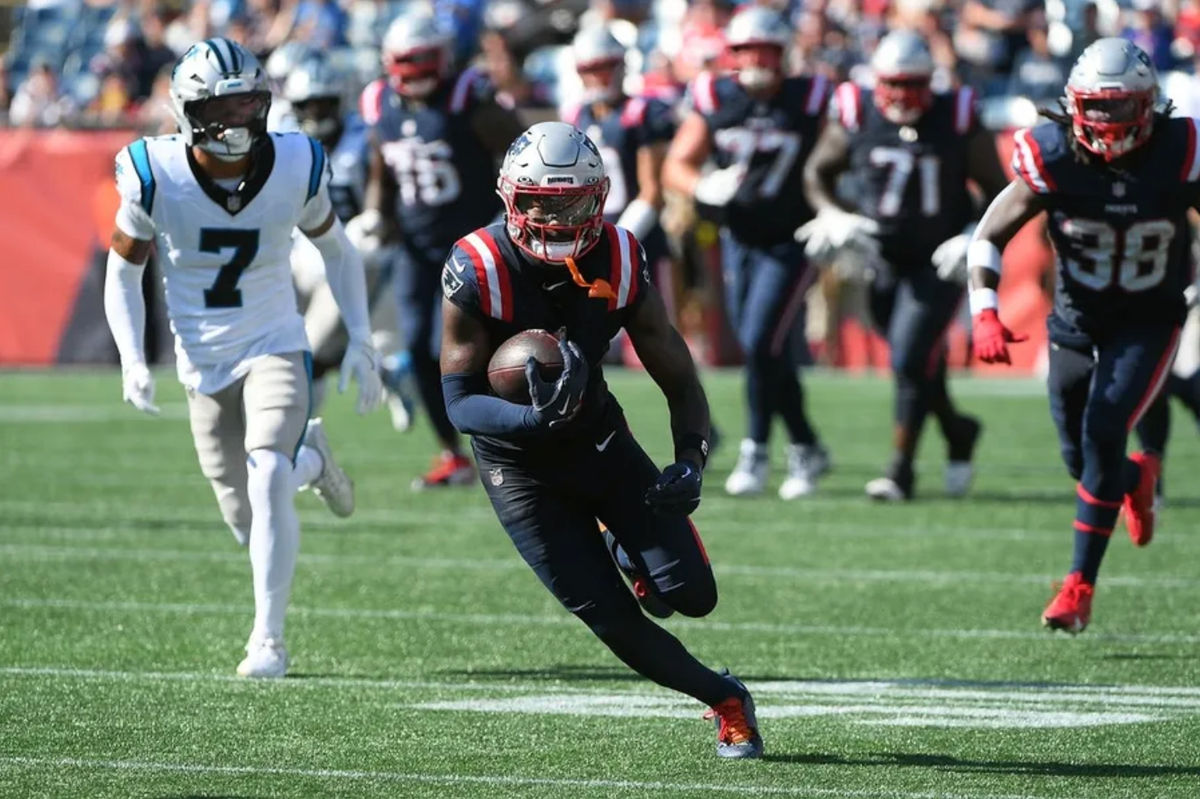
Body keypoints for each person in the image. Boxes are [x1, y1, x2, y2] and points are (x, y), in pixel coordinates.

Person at [439, 121, 763, 759]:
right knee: (609, 616)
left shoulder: (619, 252)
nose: (557, 216)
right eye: (541, 201)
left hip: (596, 438)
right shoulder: (477, 263)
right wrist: (532, 422)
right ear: (510, 197)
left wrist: (691, 461)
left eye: (574, 201)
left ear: (601, 196)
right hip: (516, 464)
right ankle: (725, 700)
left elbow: (676, 370)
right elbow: (459, 402)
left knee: (693, 597)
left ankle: (624, 545)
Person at [103, 38, 383, 677]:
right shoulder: (155, 172)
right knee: (245, 518)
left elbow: (338, 250)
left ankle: (269, 640)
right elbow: (121, 272)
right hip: (201, 361)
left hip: (275, 342)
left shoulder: (293, 163)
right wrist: (131, 357)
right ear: (191, 111)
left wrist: (361, 337)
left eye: (251, 103)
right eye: (225, 106)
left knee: (266, 475)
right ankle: (310, 459)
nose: (242, 118)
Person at [966, 38, 1187, 633]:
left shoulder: (1180, 149)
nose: (1108, 123)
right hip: (1076, 321)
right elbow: (989, 235)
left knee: (1104, 428)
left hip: (1149, 317)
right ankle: (1134, 478)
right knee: (1080, 456)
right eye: (1097, 106)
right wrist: (984, 311)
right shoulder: (1053, 153)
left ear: (1149, 105)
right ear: (1073, 104)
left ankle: (1078, 585)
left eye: (1120, 107)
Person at [802, 29, 1008, 501]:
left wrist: (971, 235)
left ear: (929, 83)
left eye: (913, 84)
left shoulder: (955, 115)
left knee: (910, 355)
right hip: (881, 256)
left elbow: (997, 190)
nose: (902, 95)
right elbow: (817, 171)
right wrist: (833, 213)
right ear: (877, 82)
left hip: (940, 260)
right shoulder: (856, 111)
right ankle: (957, 430)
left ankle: (900, 470)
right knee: (914, 361)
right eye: (893, 84)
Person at [663, 6, 831, 500]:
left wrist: (834, 207)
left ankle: (757, 449)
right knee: (766, 349)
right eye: (746, 50)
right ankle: (806, 444)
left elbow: (841, 155)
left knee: (759, 342)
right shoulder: (716, 96)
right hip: (740, 239)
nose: (756, 59)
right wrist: (703, 184)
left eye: (765, 50)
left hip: (794, 237)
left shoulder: (811, 97)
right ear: (731, 55)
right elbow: (677, 163)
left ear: (783, 54)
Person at [355, 10, 526, 489]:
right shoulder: (380, 103)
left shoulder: (468, 98)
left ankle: (509, 446)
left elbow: (521, 154)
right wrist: (376, 214)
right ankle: (453, 455)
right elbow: (380, 170)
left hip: (472, 244)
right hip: (415, 246)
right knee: (418, 347)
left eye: (422, 58)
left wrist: (508, 220)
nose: (414, 70)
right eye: (406, 60)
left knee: (456, 347)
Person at [282, 56, 413, 429]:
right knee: (322, 343)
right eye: (307, 104)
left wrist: (375, 217)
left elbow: (381, 184)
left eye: (323, 102)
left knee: (373, 341)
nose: (315, 111)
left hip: (363, 252)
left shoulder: (363, 136)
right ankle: (378, 373)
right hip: (307, 252)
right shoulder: (285, 140)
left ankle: (384, 375)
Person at [565, 25, 678, 306]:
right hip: (592, 243)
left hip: (640, 241)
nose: (599, 76)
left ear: (622, 65)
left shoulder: (639, 112)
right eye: (591, 68)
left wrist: (617, 243)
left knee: (656, 337)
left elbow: (652, 193)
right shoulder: (575, 116)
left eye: (606, 66)